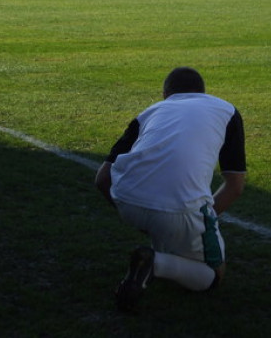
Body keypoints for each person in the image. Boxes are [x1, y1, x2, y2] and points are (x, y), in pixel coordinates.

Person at [95, 67, 246, 312]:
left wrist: (136, 215)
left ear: (166, 93)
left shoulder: (149, 112)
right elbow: (235, 186)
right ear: (203, 92)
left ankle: (166, 244)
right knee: (213, 275)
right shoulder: (225, 109)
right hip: (179, 208)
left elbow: (102, 179)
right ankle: (154, 264)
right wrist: (203, 222)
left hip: (126, 199)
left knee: (168, 227)